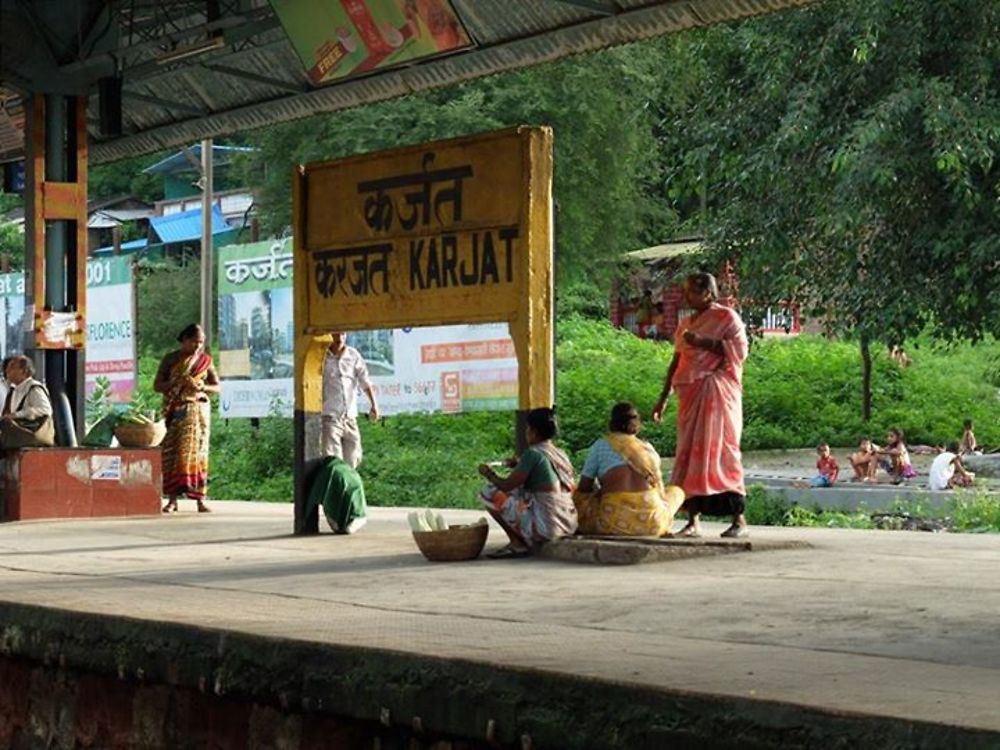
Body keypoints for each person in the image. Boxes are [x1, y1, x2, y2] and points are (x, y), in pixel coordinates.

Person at [651, 272, 749, 539]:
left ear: (708, 292)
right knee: (688, 454)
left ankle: (738, 518)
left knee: (720, 453)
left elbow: (740, 352)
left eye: (692, 292)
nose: (686, 297)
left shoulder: (726, 318)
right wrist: (663, 398)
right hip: (690, 396)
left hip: (716, 392)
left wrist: (704, 342)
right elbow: (677, 362)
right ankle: (693, 519)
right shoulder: (684, 323)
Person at [478, 407, 577, 558]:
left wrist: (489, 474)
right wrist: (519, 464)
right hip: (568, 523)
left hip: (547, 526)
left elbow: (506, 485)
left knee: (490, 492)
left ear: (533, 431)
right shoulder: (559, 453)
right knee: (519, 495)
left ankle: (517, 543)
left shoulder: (533, 454)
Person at [573, 402, 684, 536]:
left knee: (576, 497)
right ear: (637, 424)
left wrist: (599, 491)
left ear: (612, 423)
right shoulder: (647, 448)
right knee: (676, 492)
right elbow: (658, 488)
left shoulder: (601, 446)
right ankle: (662, 523)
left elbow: (584, 487)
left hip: (612, 523)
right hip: (653, 524)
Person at [154, 324, 220, 513]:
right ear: (184, 340)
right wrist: (177, 382)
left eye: (201, 343)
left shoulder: (205, 361)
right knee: (173, 455)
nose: (198, 346)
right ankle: (172, 501)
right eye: (194, 342)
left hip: (198, 412)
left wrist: (200, 387)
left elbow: (217, 386)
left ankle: (200, 500)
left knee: (199, 455)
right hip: (176, 410)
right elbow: (157, 386)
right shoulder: (171, 359)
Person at [321, 332, 379, 469]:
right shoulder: (322, 357)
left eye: (342, 334)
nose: (339, 338)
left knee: (353, 458)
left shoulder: (353, 355)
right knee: (333, 461)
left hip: (350, 418)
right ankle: (337, 488)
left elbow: (365, 382)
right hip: (330, 417)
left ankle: (348, 487)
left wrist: (374, 405)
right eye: (335, 334)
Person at [0, 355, 55, 448]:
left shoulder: (34, 388)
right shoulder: (14, 390)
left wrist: (17, 415)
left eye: (12, 367)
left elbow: (45, 410)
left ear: (24, 371)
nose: (7, 371)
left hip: (29, 435)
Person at [306, 456, 367, 534]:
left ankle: (341, 524)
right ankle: (350, 523)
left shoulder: (326, 471)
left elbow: (314, 496)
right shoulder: (351, 471)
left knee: (336, 523)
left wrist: (306, 516)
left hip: (335, 509)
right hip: (357, 510)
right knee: (356, 517)